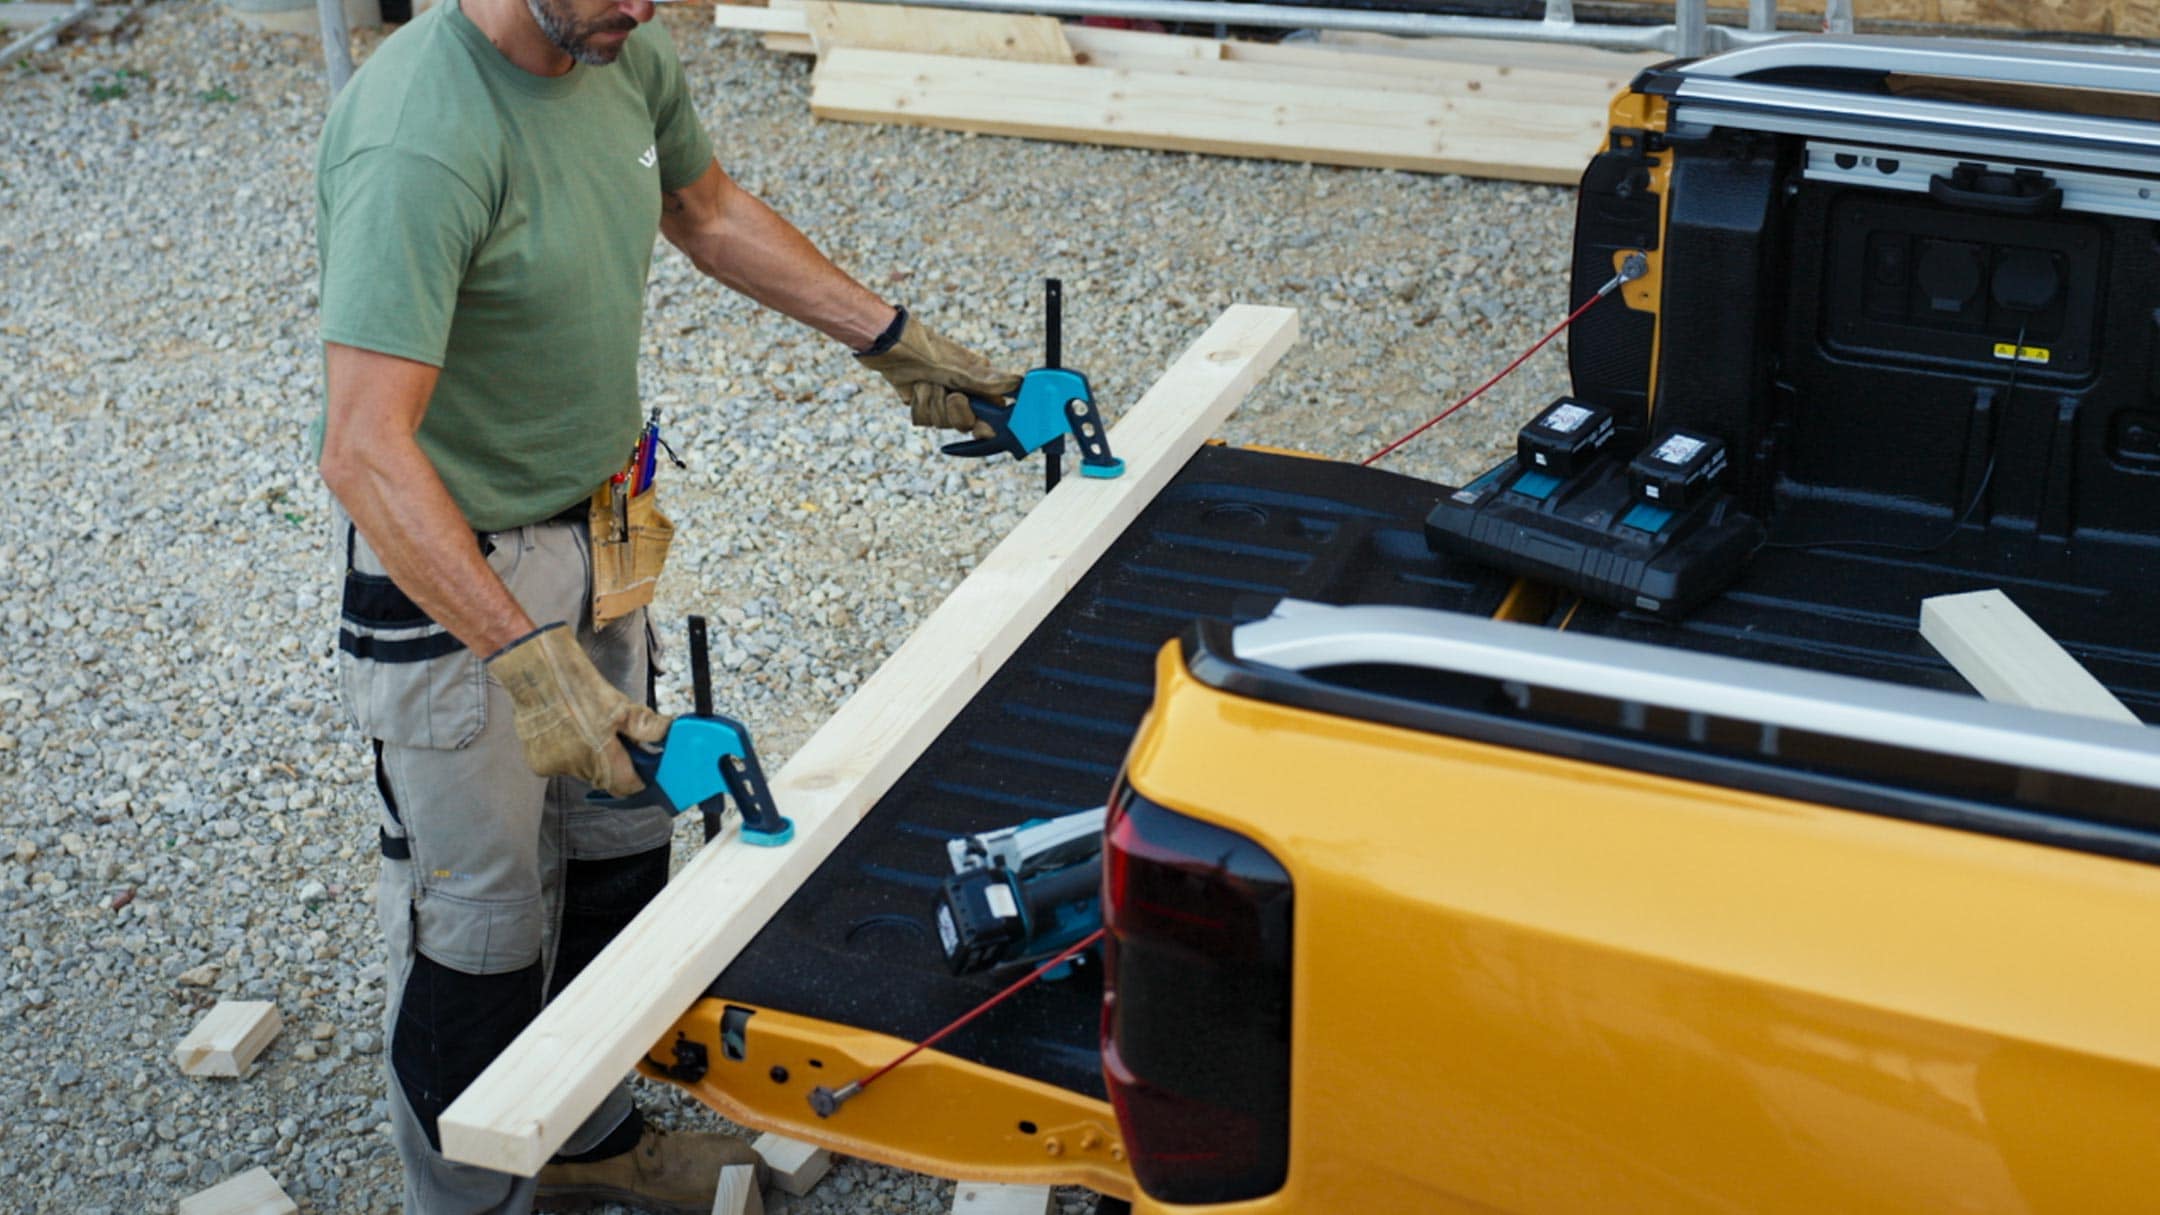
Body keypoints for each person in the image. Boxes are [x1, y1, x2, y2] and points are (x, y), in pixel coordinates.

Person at [310, 0, 1021, 1205]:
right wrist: (532, 665)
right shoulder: (418, 137)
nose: (643, 9)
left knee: (617, 858)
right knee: (481, 923)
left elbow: (707, 210)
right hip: (460, 573)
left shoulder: (621, 49)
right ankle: (475, 1195)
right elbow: (366, 451)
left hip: (600, 529)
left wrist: (900, 344)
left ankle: (589, 1145)